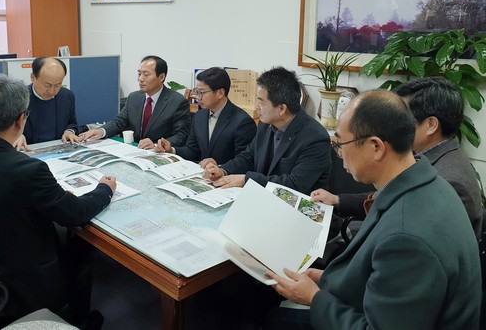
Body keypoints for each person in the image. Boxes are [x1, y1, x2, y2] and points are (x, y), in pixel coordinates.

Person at [265, 90, 481, 329]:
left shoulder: (406, 237)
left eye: (340, 144)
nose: (339, 154)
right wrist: (325, 279)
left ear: (376, 146)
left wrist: (313, 298)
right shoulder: (428, 182)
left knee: (271, 319)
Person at [0, 75, 116, 326]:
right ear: (21, 120)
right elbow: (74, 213)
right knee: (81, 244)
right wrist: (104, 190)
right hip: (20, 284)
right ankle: (79, 320)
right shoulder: (27, 170)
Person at [311, 77, 483, 238]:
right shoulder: (430, 158)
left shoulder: (450, 182)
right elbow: (389, 193)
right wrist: (338, 201)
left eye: (404, 117)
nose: (396, 123)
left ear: (431, 125)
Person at [202, 66, 330, 195]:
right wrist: (222, 170)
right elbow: (249, 157)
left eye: (261, 102)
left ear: (281, 109)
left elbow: (295, 185)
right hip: (264, 199)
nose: (256, 106)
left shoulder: (315, 138)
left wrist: (246, 179)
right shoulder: (266, 125)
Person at [79, 55, 190, 149]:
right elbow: (119, 122)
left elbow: (180, 135)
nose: (140, 79)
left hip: (159, 154)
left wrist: (157, 145)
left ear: (161, 77)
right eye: (139, 74)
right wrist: (101, 131)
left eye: (146, 75)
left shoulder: (178, 102)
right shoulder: (134, 97)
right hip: (135, 152)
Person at [154, 67, 256, 165]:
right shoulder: (200, 116)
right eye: (197, 92)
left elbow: (244, 162)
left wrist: (220, 168)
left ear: (220, 93)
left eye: (202, 92)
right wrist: (171, 150)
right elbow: (192, 150)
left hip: (226, 178)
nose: (198, 97)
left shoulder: (243, 122)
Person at [14, 57, 80, 150]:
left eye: (58, 85)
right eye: (47, 85)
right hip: (28, 152)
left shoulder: (67, 96)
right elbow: (5, 130)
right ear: (33, 78)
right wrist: (16, 136)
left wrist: (69, 132)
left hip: (59, 152)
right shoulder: (17, 98)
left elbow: (72, 123)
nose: (52, 91)